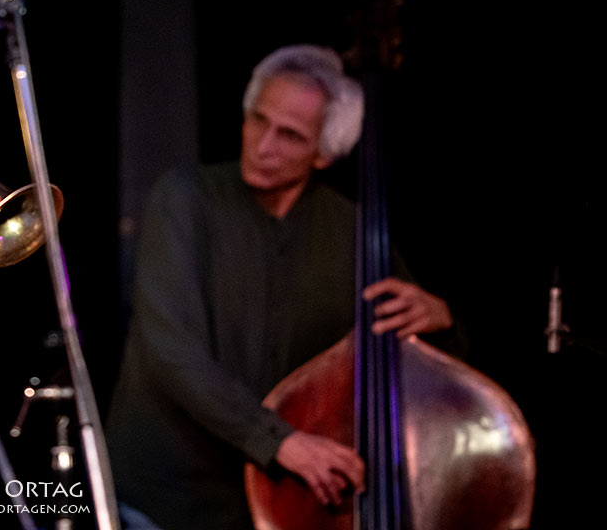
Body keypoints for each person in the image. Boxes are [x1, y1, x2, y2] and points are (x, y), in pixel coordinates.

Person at [106, 44, 454, 530]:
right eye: (257, 120)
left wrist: (441, 319)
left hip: (284, 506)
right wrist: (280, 441)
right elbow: (171, 351)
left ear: (325, 154)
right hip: (169, 496)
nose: (263, 145)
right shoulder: (183, 198)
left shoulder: (354, 231)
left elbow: (424, 368)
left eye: (289, 135)